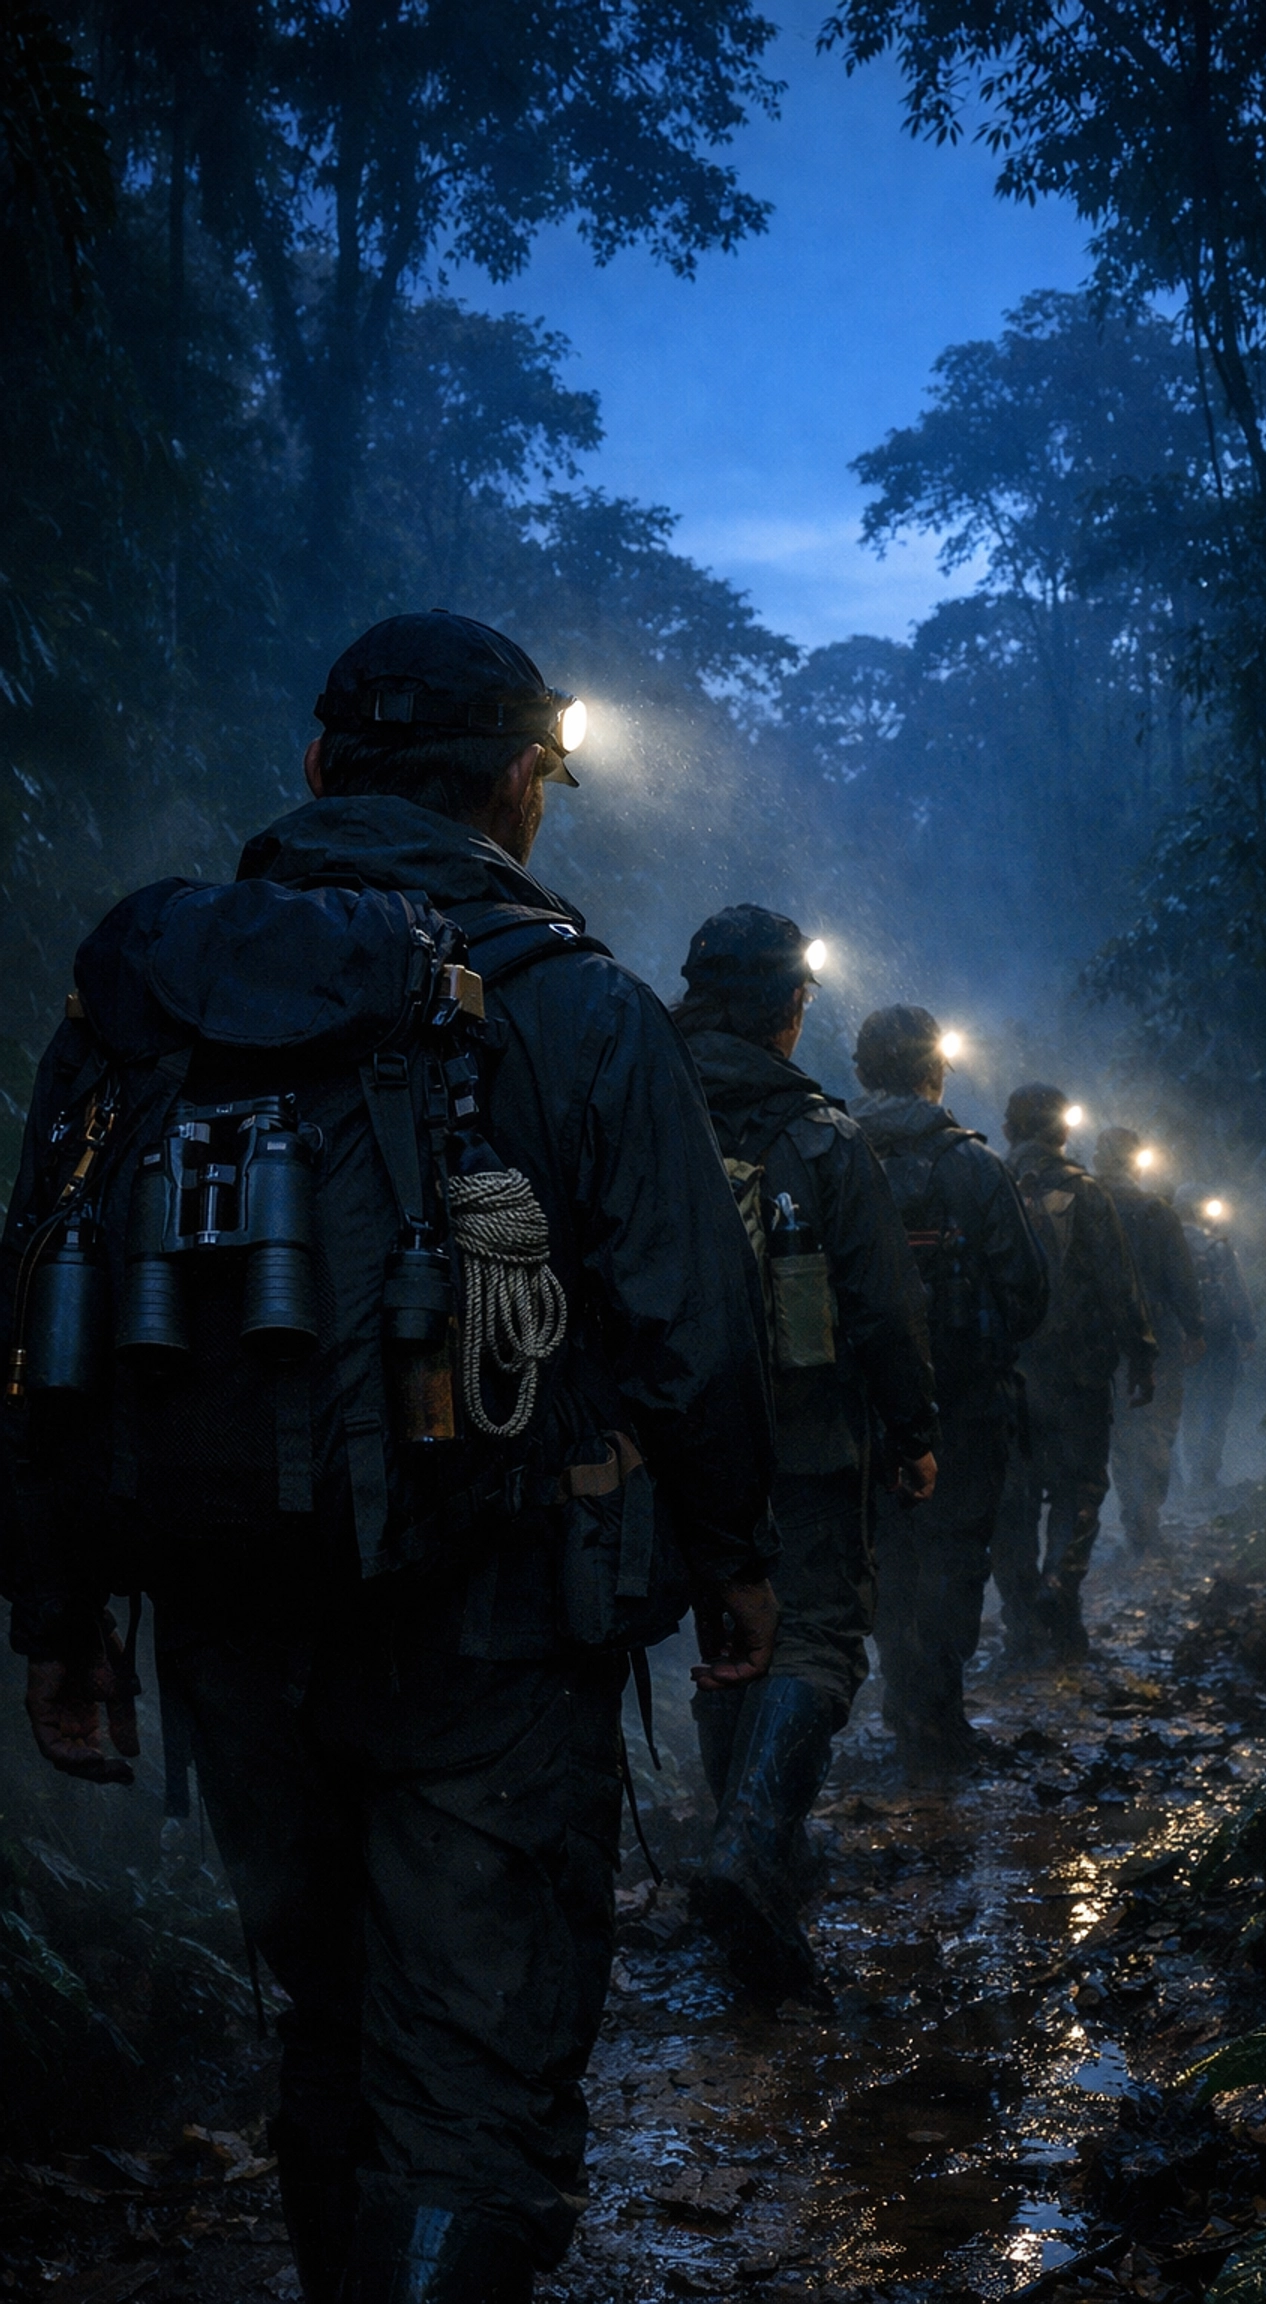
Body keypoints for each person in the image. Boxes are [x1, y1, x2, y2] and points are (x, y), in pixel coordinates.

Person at [2, 612, 779, 2304]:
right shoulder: (576, 1005)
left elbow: (45, 1305)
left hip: (231, 1619)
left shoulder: (143, 996)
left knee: (330, 2021)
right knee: (475, 2070)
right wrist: (736, 1563)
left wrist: (63, 1614)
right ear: (521, 786)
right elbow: (693, 1327)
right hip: (492, 1624)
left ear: (314, 769)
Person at [673, 909, 938, 1995]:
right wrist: (913, 1432)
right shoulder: (822, 1137)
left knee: (728, 1635)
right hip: (809, 1436)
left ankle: (753, 1856)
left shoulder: (639, 1108)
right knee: (817, 1633)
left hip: (673, 1438)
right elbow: (882, 1306)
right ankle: (750, 1846)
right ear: (791, 1007)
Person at [851, 1006, 1047, 1776]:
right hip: (963, 1404)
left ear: (862, 1070)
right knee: (957, 1553)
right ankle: (937, 1713)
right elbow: (1027, 1292)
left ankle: (905, 1701)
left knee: (886, 1556)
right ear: (937, 1071)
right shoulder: (975, 1166)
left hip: (858, 1406)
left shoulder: (823, 1149)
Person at [995, 1084, 1156, 1660]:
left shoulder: (987, 1181)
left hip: (1003, 1374)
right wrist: (1141, 1354)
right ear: (1064, 1131)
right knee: (1079, 1485)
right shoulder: (1086, 1193)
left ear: (1009, 1129)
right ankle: (1058, 1589)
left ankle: (1020, 1619)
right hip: (1078, 1372)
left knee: (1012, 1496)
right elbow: (1119, 1282)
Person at [1093, 1127, 1205, 1554]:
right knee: (1154, 1427)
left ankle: (1133, 1516)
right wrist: (1194, 1330)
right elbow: (1182, 1279)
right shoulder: (1157, 1212)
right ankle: (1144, 1517)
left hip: (1097, 1337)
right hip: (1155, 1337)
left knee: (1118, 1430)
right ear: (1136, 1162)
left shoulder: (1083, 1206)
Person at [1178, 1191, 1257, 1496]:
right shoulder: (1219, 1248)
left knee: (1188, 1406)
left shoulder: (1169, 1245)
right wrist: (1247, 1333)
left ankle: (1189, 1473)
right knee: (1217, 1406)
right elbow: (1237, 1292)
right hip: (1221, 1337)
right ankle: (1206, 1473)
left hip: (1184, 1339)